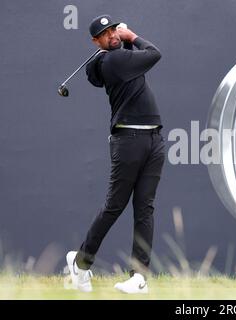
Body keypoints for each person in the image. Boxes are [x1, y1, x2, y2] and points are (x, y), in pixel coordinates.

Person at [66, 14, 165, 294]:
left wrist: (124, 42)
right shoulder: (112, 60)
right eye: (105, 33)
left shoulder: (114, 60)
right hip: (129, 140)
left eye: (113, 30)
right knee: (115, 205)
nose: (112, 35)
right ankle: (81, 263)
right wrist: (130, 35)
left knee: (145, 208)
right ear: (96, 41)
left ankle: (139, 278)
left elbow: (137, 60)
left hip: (153, 138)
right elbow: (154, 54)